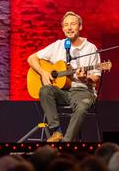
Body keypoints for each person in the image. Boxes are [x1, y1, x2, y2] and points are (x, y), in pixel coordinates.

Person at [27, 11, 101, 142]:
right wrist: (43, 73)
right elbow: (31, 58)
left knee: (82, 107)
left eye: (73, 24)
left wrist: (85, 78)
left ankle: (66, 143)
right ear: (62, 29)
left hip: (82, 91)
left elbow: (96, 77)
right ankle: (56, 132)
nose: (69, 27)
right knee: (45, 90)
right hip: (62, 91)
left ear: (80, 27)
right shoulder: (58, 45)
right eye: (66, 25)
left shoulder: (90, 48)